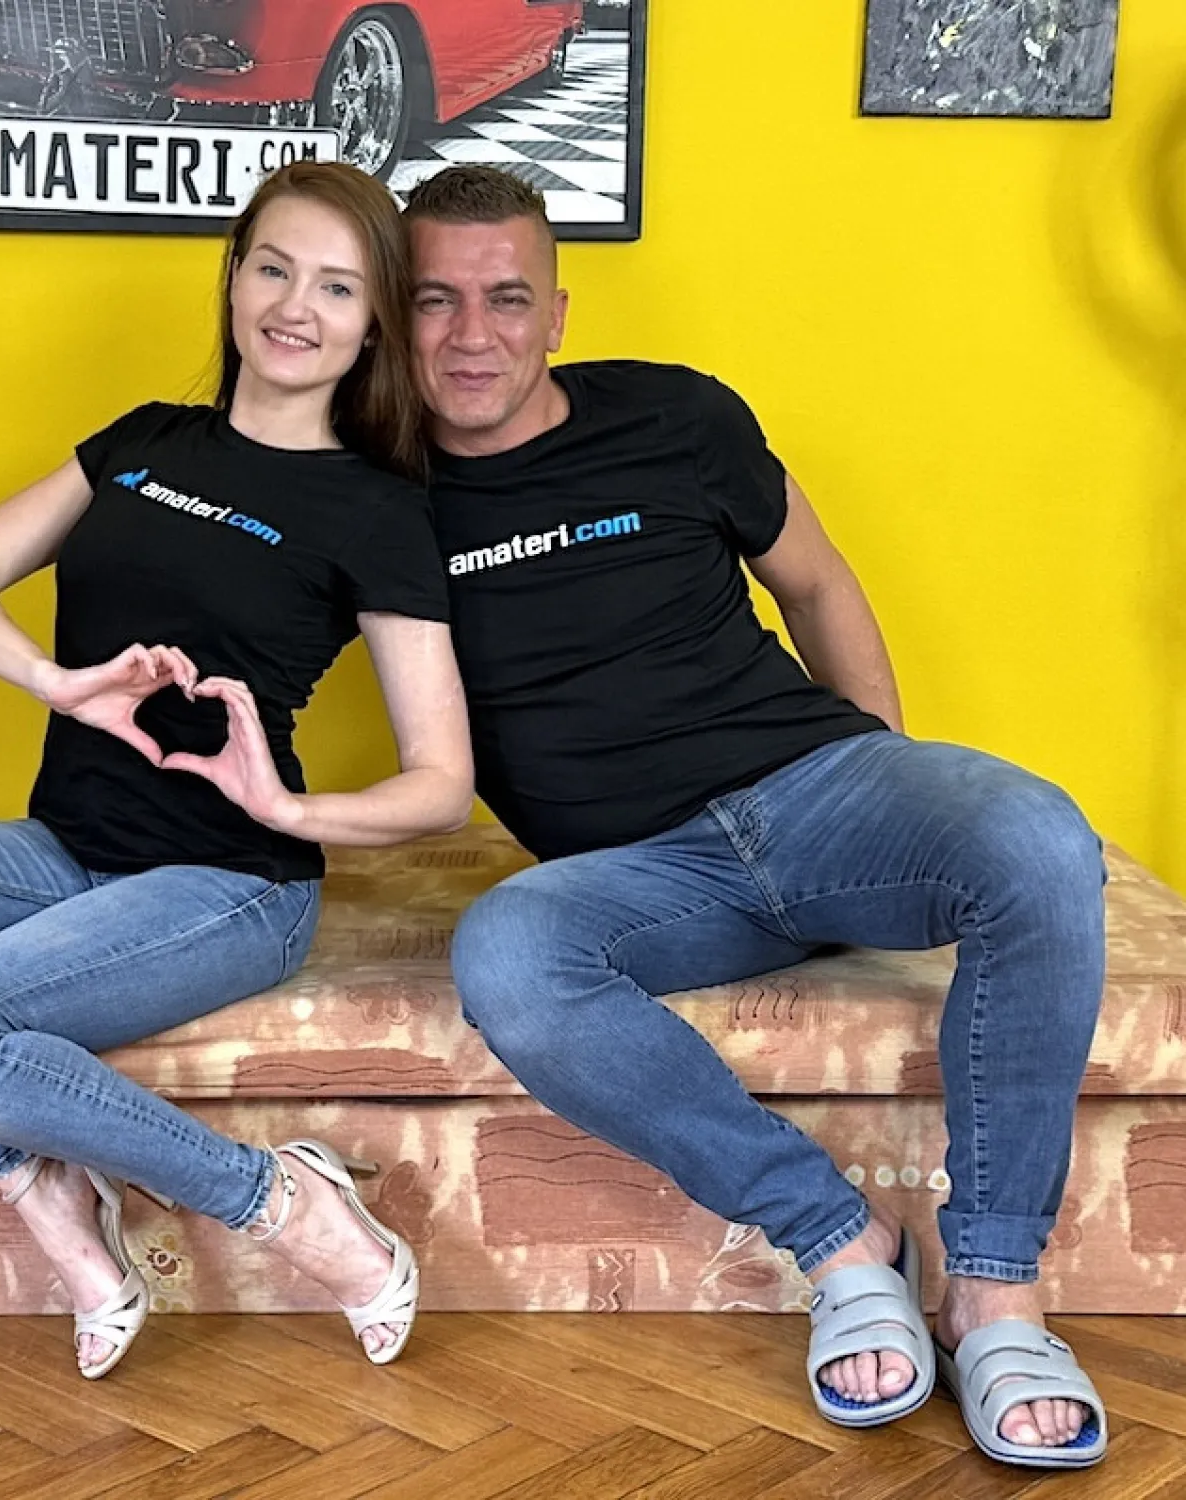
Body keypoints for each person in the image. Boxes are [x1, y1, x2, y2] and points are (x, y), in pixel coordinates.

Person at [403, 164, 1107, 1471]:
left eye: (506, 298)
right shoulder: (374, 492)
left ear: (557, 312)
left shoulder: (677, 416)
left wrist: (890, 780)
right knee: (507, 948)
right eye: (434, 300)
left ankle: (996, 1285)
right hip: (641, 878)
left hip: (815, 790)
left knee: (1037, 836)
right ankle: (842, 1242)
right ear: (396, 317)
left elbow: (820, 587)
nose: (471, 334)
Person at [0, 161, 473, 1380]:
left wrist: (284, 804)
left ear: (375, 325)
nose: (296, 306)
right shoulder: (144, 441)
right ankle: (41, 1183)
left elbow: (441, 783)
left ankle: (279, 1202)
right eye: (274, 268)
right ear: (234, 278)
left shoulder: (377, 511)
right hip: (63, 853)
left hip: (228, 884)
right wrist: (52, 680)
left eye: (339, 288)